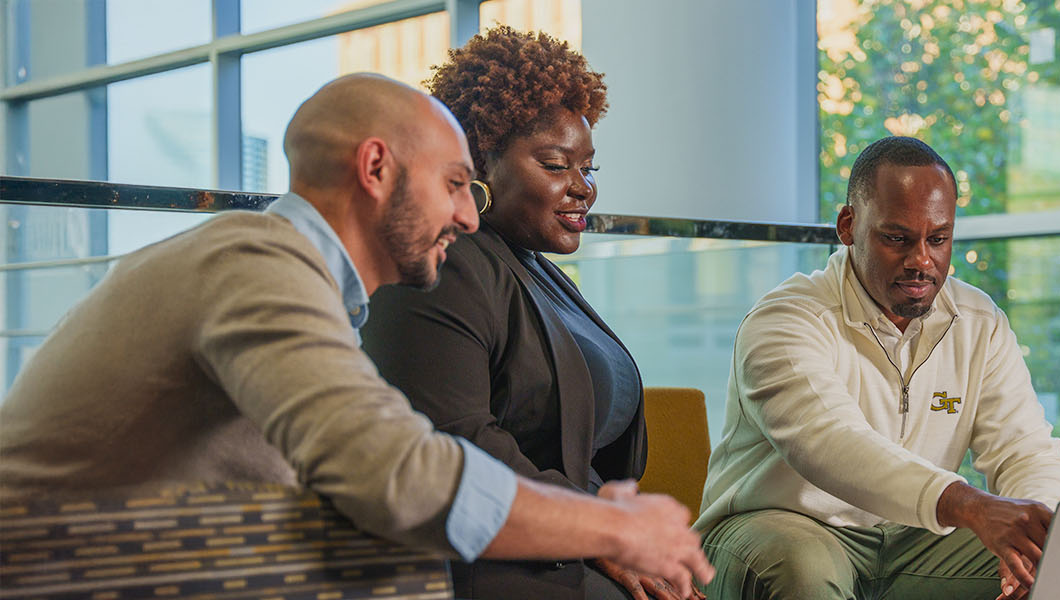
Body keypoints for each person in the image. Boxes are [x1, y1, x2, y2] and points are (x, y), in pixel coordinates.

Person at [0, 73, 713, 598]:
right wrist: (612, 529)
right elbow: (393, 472)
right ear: (375, 169)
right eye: (456, 183)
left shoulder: (296, 281)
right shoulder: (254, 263)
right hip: (61, 558)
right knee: (400, 567)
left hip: (153, 541)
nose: (469, 217)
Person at [359, 26, 671, 600]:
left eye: (589, 169)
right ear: (478, 162)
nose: (583, 189)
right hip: (490, 563)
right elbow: (460, 441)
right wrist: (598, 533)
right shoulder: (442, 264)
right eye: (556, 165)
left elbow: (561, 444)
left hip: (557, 540)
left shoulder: (530, 264)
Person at [695, 136, 1060, 600]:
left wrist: (1035, 530)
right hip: (774, 528)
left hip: (913, 541)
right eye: (897, 238)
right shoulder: (786, 320)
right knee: (804, 567)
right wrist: (969, 505)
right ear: (848, 225)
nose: (921, 261)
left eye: (938, 240)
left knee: (1059, 558)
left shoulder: (979, 322)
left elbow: (1025, 450)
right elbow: (830, 442)